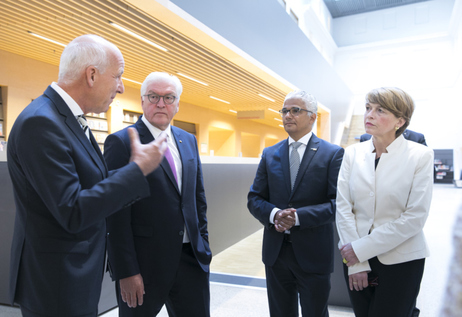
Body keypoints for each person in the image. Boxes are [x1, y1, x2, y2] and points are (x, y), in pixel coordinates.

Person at [7, 35, 167, 317]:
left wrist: (135, 171)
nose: (121, 86)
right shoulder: (41, 123)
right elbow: (72, 210)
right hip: (56, 285)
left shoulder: (68, 119)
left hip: (72, 278)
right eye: (118, 76)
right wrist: (136, 170)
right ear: (91, 75)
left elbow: (90, 183)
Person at [103, 72, 211, 317]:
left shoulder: (188, 140)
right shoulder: (121, 142)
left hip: (191, 260)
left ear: (177, 104)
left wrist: (203, 243)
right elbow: (115, 214)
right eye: (153, 96)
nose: (161, 103)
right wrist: (126, 271)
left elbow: (197, 199)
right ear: (142, 101)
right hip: (144, 266)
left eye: (168, 97)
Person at [336, 87, 434, 317]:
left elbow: (415, 217)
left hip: (401, 259)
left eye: (380, 110)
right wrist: (356, 262)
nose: (369, 115)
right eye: (368, 108)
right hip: (354, 257)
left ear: (400, 120)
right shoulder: (352, 153)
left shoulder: (420, 155)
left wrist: (360, 250)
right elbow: (343, 208)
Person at [247, 90, 344, 316]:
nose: (288, 115)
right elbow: (255, 199)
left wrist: (297, 218)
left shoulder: (332, 154)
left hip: (313, 253)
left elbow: (337, 204)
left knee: (315, 312)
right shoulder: (270, 154)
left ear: (312, 117)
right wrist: (275, 215)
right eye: (285, 111)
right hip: (276, 253)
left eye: (295, 110)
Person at [360, 129, 427, 146]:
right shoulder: (366, 138)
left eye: (380, 110)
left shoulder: (417, 138)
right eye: (368, 108)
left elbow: (427, 171)